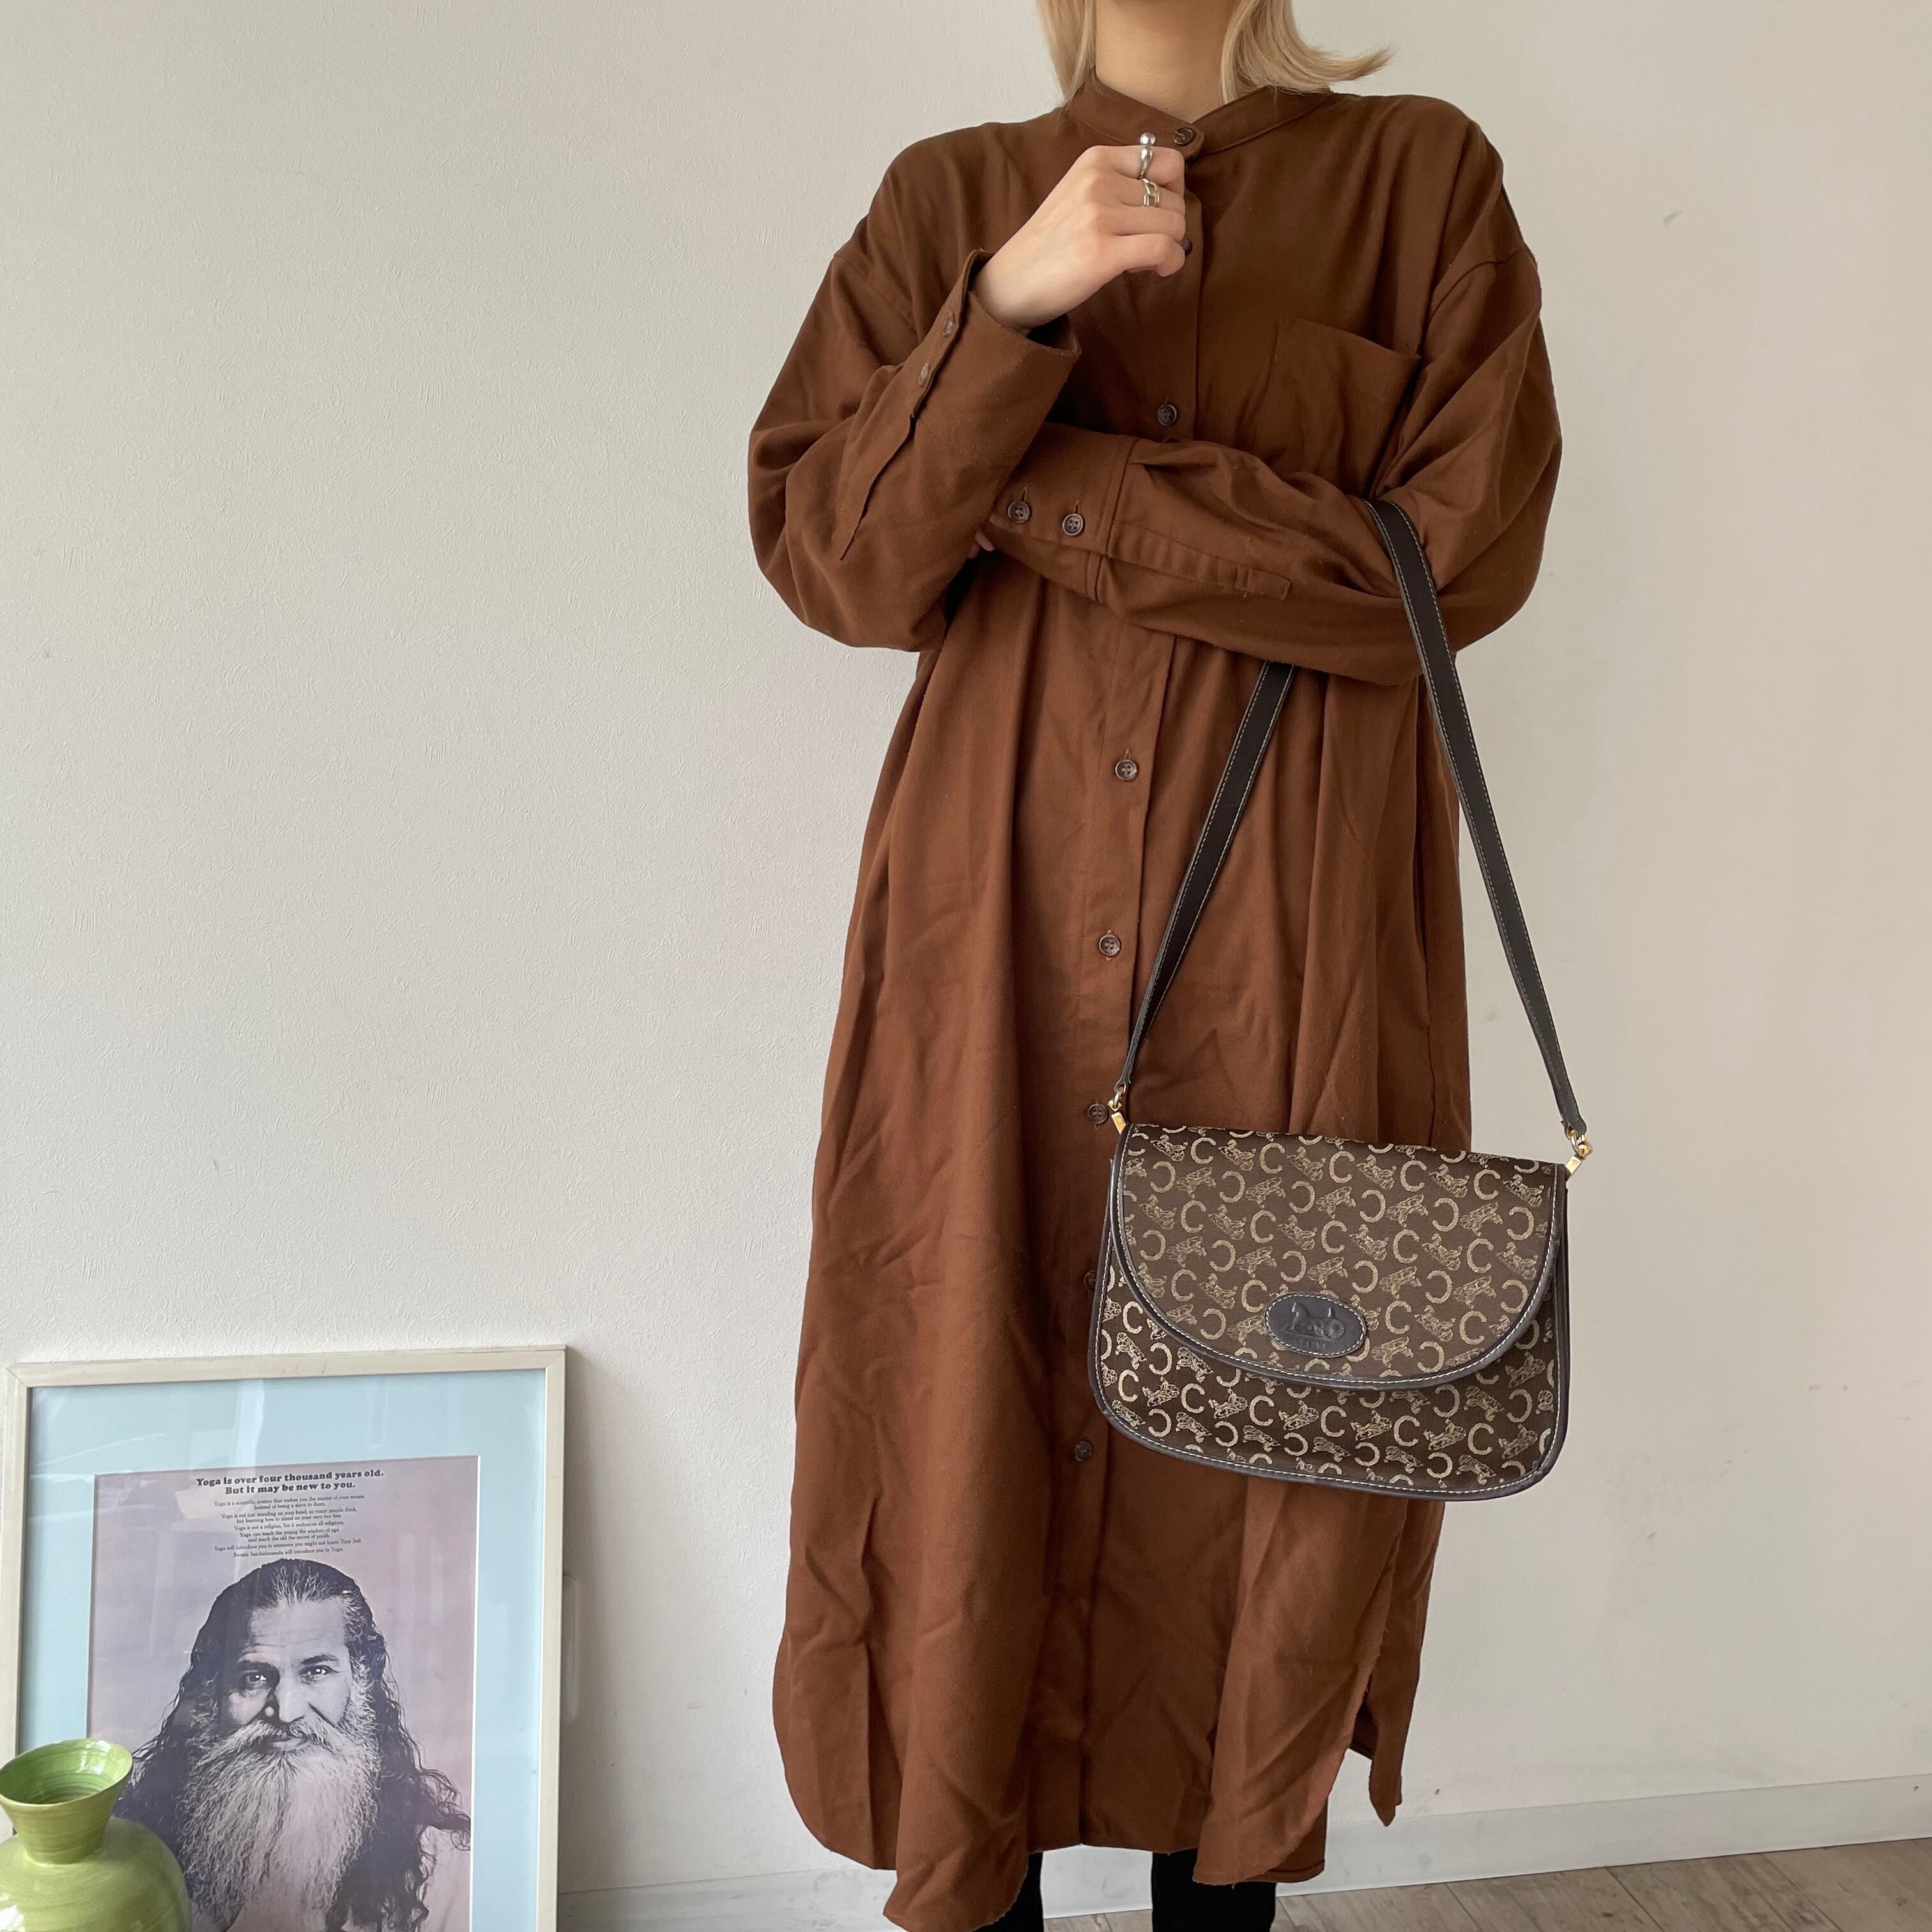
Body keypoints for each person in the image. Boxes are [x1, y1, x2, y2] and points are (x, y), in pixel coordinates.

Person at [746, 0, 1560, 1926]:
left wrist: (1036, 479)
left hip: (1300, 935)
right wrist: (1006, 309)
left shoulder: (1421, 183)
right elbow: (837, 558)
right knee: (966, 1375)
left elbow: (1448, 569)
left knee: (1278, 1422)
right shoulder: (950, 205)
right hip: (997, 931)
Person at [119, 1558, 471, 1932]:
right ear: (212, 1698)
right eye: (254, 1677)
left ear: (360, 1682)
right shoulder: (138, 1857)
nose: (286, 1712)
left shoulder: (444, 1872)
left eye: (316, 1671)